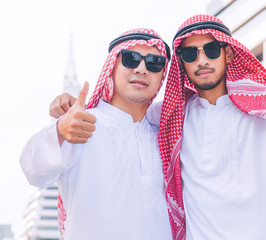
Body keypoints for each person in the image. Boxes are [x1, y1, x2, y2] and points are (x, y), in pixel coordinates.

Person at [47, 15, 266, 240]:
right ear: (181, 63)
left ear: (229, 53)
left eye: (210, 50)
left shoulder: (265, 110)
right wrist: (69, 108)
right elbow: (123, 118)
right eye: (190, 54)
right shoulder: (171, 119)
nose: (202, 60)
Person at [20, 28, 173, 240]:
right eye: (130, 59)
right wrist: (59, 132)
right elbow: (34, 171)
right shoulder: (82, 123)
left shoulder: (167, 137)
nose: (141, 69)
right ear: (111, 68)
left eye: (154, 63)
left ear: (162, 76)